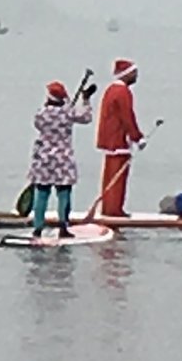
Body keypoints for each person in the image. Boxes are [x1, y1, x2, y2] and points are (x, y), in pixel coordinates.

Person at [26, 75, 96, 237]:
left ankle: (38, 228)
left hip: (43, 158)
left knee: (42, 193)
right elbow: (86, 118)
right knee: (64, 193)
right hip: (63, 159)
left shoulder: (40, 114)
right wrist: (85, 101)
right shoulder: (68, 113)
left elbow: (38, 125)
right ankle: (63, 227)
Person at [92, 57, 143, 217]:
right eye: (133, 73)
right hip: (118, 139)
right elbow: (127, 116)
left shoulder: (111, 90)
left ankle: (108, 208)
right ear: (125, 74)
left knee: (109, 176)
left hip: (109, 139)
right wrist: (137, 137)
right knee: (117, 177)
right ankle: (114, 210)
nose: (136, 76)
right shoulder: (122, 92)